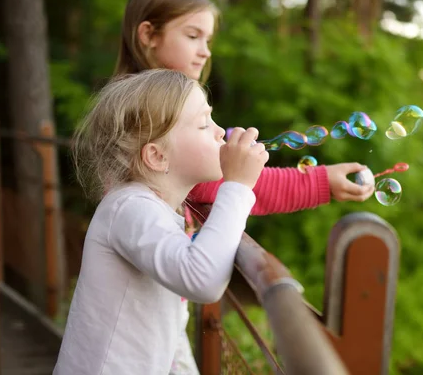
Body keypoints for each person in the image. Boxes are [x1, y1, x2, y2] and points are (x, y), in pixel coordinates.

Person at [113, 0, 376, 374]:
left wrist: (218, 146)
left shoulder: (135, 101)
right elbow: (226, 183)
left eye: (208, 38)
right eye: (192, 35)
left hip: (159, 292)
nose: (205, 50)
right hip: (145, 303)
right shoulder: (145, 114)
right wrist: (320, 182)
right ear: (148, 34)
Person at [53, 69, 268, 374]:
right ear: (156, 156)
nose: (222, 132)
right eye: (205, 124)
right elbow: (203, 280)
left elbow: (169, 326)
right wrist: (237, 186)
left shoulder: (151, 209)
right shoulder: (129, 208)